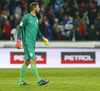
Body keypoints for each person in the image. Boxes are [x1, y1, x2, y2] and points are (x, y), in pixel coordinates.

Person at [15, 2, 49, 86]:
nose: (39, 9)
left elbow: (37, 31)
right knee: (33, 59)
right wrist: (18, 41)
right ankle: (39, 80)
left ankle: (20, 81)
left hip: (32, 43)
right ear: (34, 8)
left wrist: (43, 38)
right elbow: (20, 28)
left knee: (26, 61)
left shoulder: (36, 19)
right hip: (27, 42)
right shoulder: (26, 17)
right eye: (38, 7)